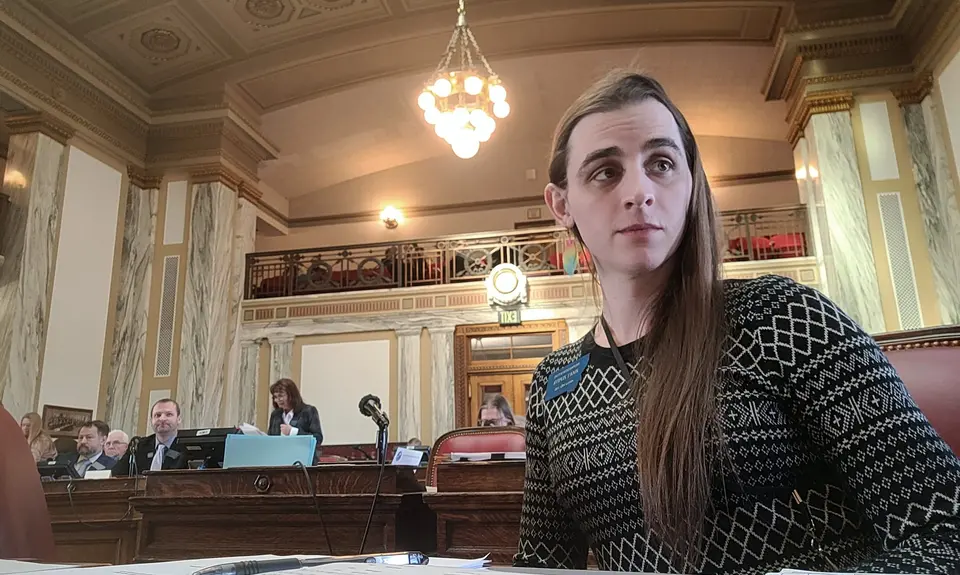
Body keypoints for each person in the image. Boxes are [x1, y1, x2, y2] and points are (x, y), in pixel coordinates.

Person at [513, 70, 960, 575]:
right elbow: (542, 564)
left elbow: (943, 524)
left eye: (661, 163)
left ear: (690, 183)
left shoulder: (783, 317)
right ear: (561, 204)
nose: (639, 191)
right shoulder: (553, 384)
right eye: (605, 172)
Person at [112, 398, 188, 476]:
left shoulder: (189, 446)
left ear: (179, 419)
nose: (162, 419)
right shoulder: (139, 446)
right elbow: (117, 474)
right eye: (157, 415)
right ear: (151, 420)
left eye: (168, 414)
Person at [268, 378, 324, 446]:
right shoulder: (275, 415)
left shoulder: (308, 411)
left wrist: (293, 432)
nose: (277, 400)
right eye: (275, 397)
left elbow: (318, 439)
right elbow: (270, 438)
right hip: (280, 455)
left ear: (292, 395)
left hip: (302, 455)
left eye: (280, 396)